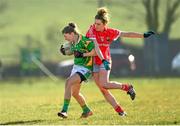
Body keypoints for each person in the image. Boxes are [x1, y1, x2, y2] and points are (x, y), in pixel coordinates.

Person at [74, 7, 154, 116]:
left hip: (105, 60)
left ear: (104, 24)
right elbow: (94, 48)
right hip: (94, 62)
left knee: (104, 84)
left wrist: (143, 35)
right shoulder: (91, 30)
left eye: (98, 24)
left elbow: (127, 34)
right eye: (95, 23)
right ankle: (121, 111)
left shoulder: (110, 32)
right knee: (103, 89)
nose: (95, 26)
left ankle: (127, 87)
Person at [57, 23, 96, 118]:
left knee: (68, 82)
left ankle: (64, 111)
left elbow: (95, 52)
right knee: (75, 93)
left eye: (66, 36)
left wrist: (83, 55)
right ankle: (87, 111)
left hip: (86, 68)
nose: (65, 39)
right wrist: (65, 52)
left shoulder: (85, 41)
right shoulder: (72, 43)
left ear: (72, 33)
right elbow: (74, 52)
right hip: (76, 68)